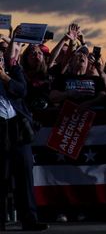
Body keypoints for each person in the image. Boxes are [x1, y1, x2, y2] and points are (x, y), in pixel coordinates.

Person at [0, 51, 48, 231]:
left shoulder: (14, 70)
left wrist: (5, 77)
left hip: (17, 128)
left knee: (25, 173)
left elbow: (22, 90)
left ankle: (29, 219)